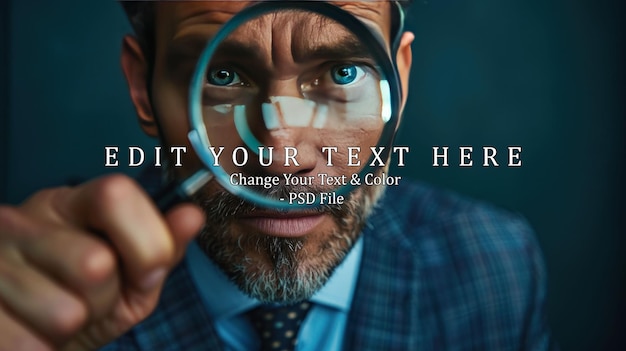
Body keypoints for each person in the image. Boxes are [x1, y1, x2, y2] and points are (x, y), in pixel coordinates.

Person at [0, 1, 557, 350]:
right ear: (143, 87)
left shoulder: (498, 269)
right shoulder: (48, 295)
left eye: (342, 72)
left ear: (399, 84)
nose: (281, 156)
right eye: (221, 74)